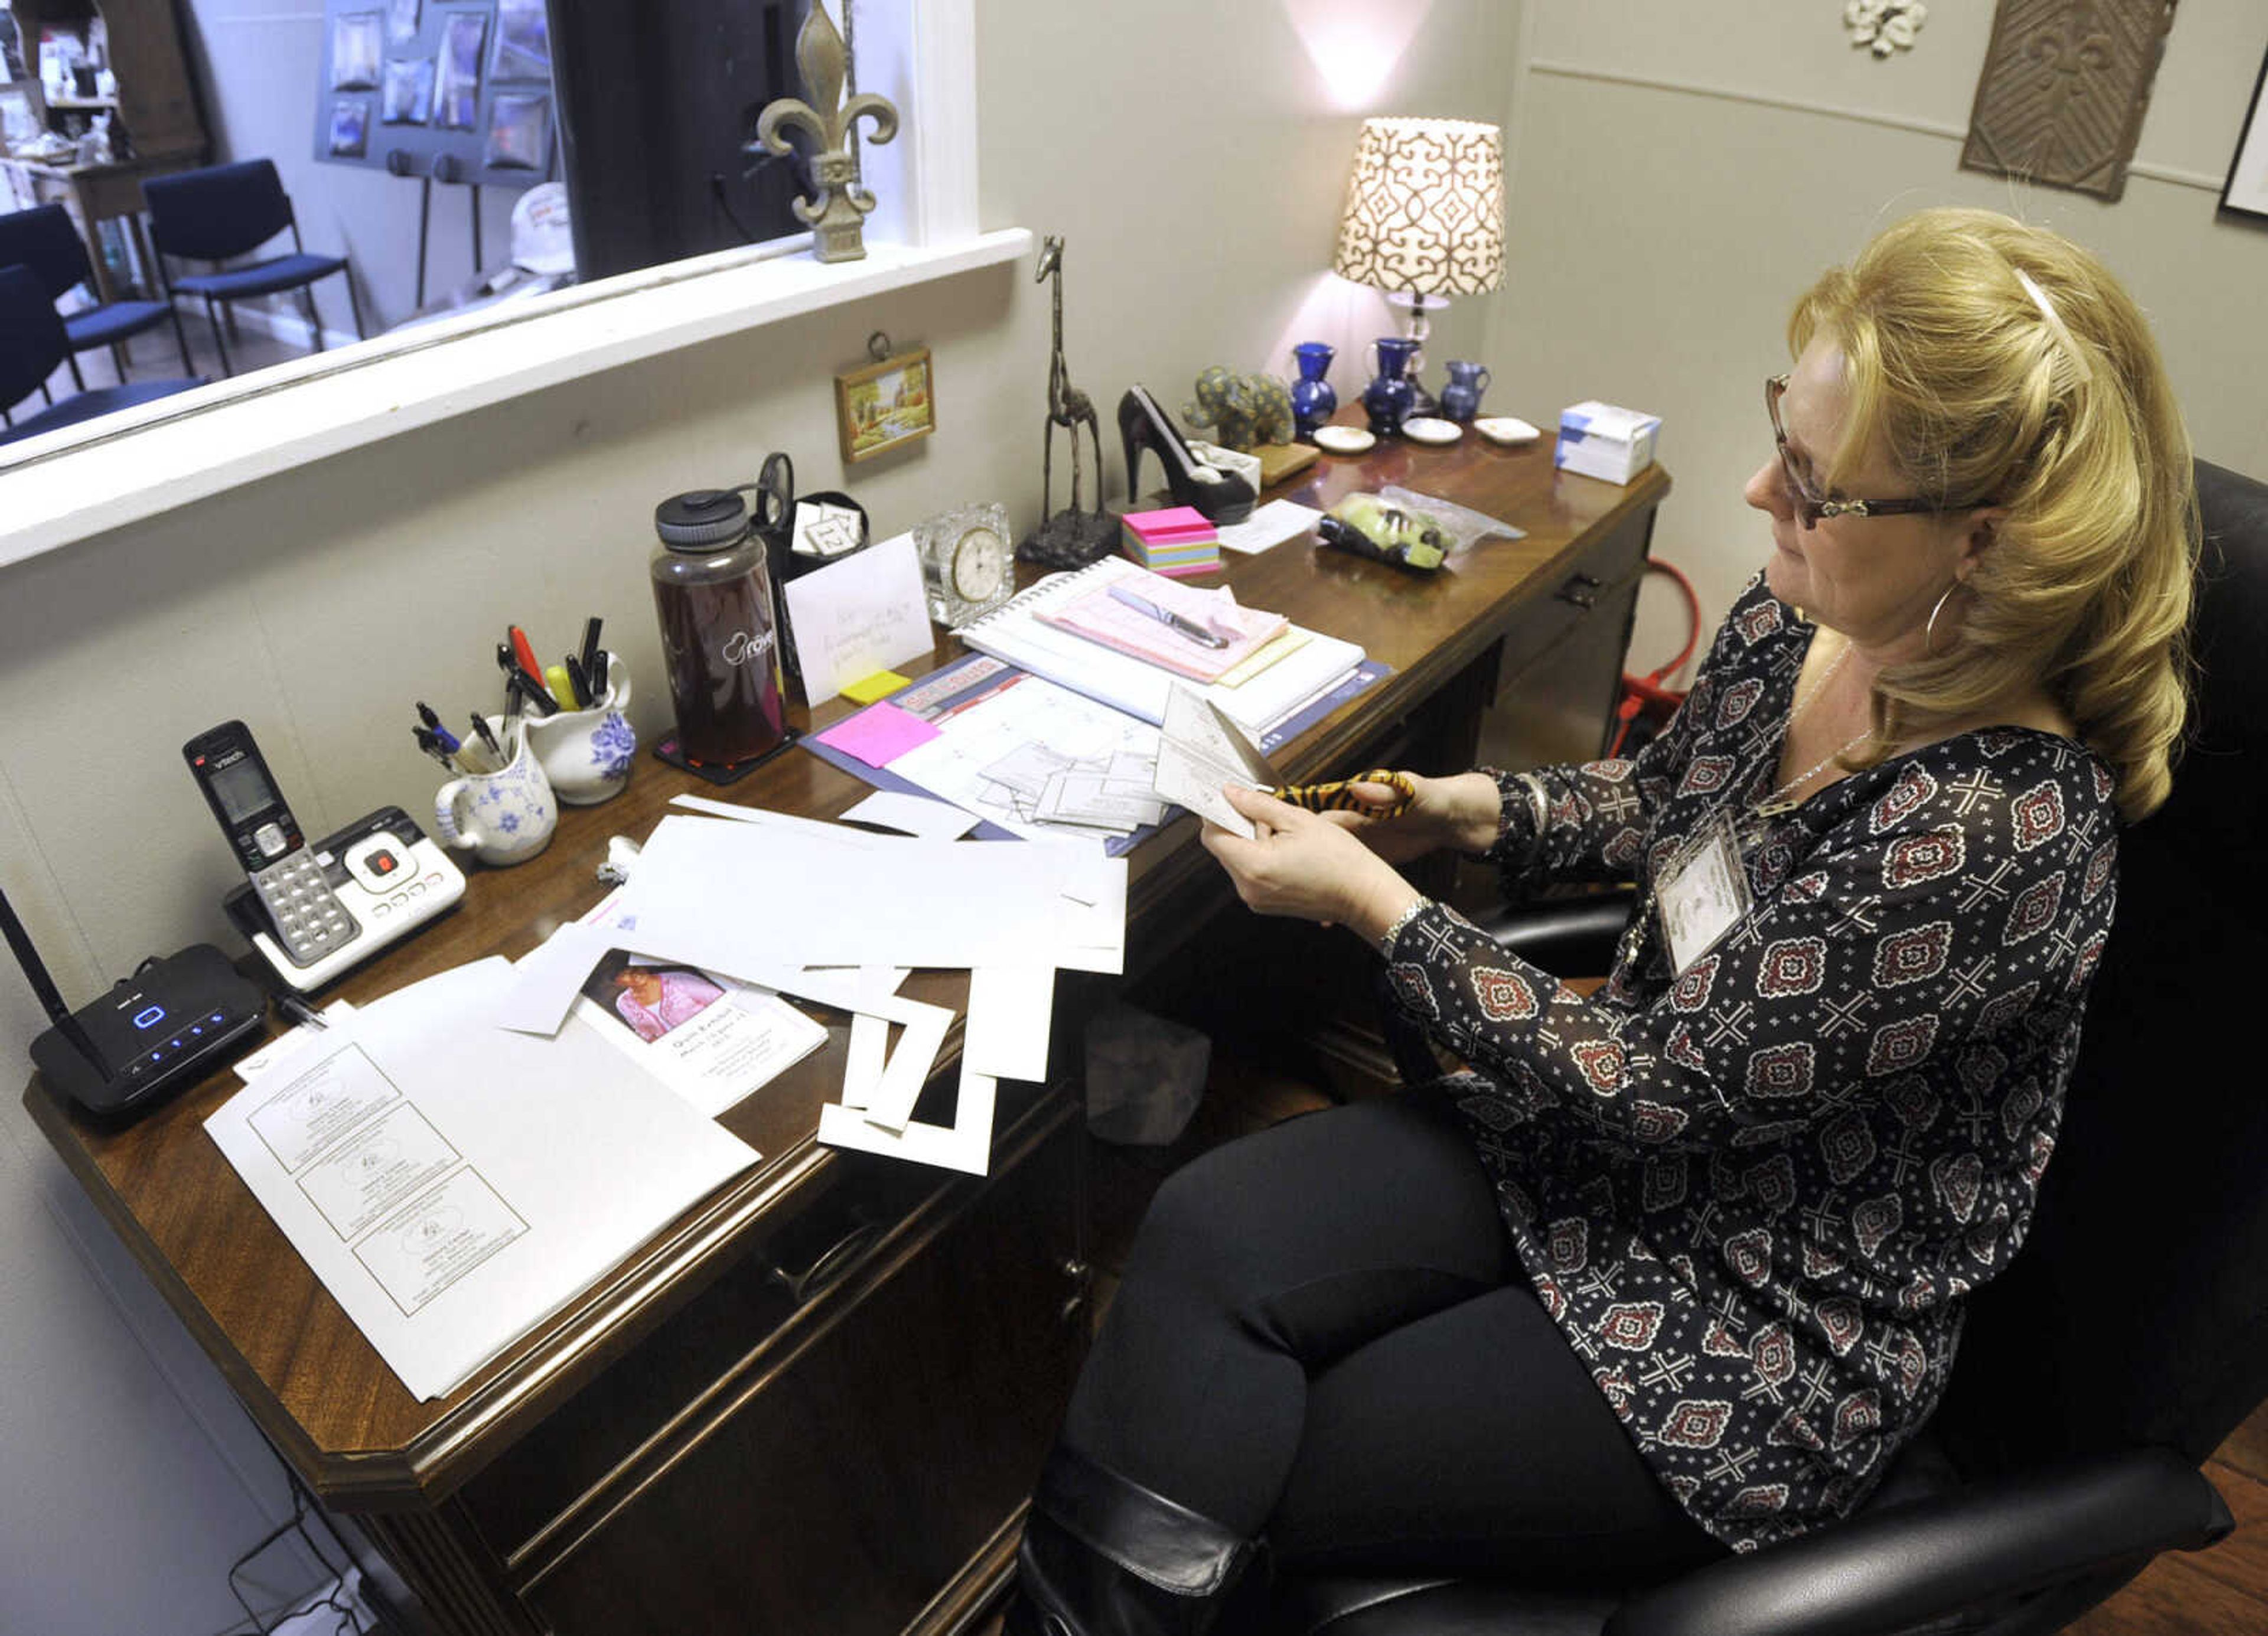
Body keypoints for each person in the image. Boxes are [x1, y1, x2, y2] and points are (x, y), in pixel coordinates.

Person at [1006, 207, 2197, 1636]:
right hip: (1592, 1157)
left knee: (1276, 1443)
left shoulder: (1998, 831)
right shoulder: (1809, 617)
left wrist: (1375, 905)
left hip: (1754, 1315)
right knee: (1205, 1228)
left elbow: (1664, 1084)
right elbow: (1667, 801)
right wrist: (1462, 811)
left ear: (1981, 544)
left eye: (1816, 484)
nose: (1759, 490)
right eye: (1782, 432)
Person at [610, 964, 724, 1044]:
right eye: (625, 974)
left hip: (715, 1037)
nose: (635, 974)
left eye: (634, 968)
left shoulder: (678, 979)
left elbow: (721, 1000)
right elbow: (643, 1033)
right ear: (617, 983)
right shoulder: (623, 1003)